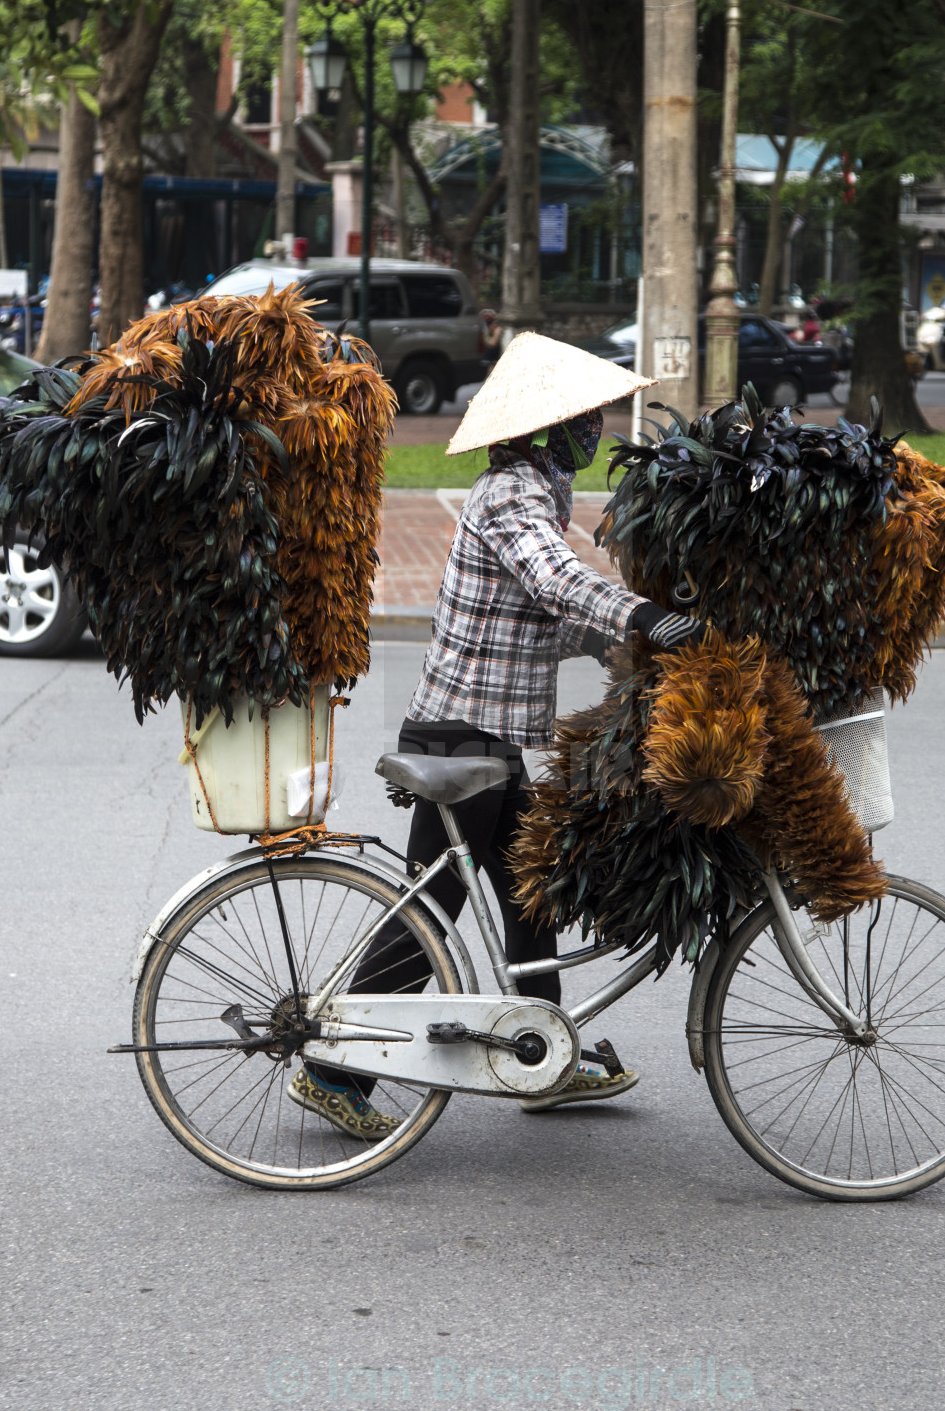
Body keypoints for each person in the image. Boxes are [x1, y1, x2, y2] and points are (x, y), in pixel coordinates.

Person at [290, 333, 708, 1139]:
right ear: (546, 429)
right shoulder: (512, 493)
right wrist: (648, 618)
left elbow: (540, 621)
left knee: (529, 888)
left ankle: (537, 1051)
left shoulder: (534, 491)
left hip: (484, 739)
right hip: (462, 739)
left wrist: (632, 649)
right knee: (430, 911)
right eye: (582, 417)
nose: (596, 429)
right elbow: (557, 581)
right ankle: (332, 1067)